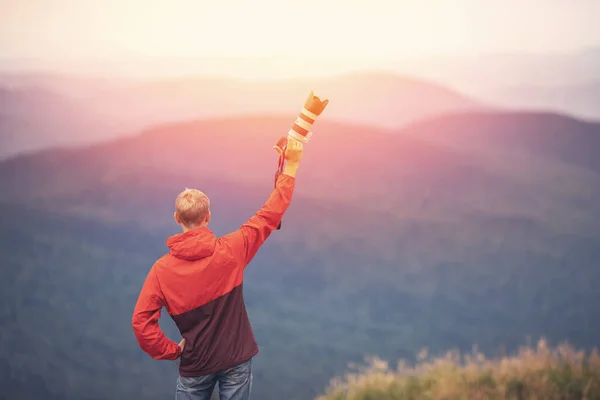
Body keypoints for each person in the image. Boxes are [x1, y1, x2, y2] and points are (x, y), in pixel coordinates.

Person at [131, 137, 304, 400]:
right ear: (208, 217)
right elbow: (270, 214)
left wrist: (171, 351)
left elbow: (141, 323)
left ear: (177, 219)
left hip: (195, 366)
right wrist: (290, 166)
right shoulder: (232, 249)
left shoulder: (161, 271)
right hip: (237, 358)